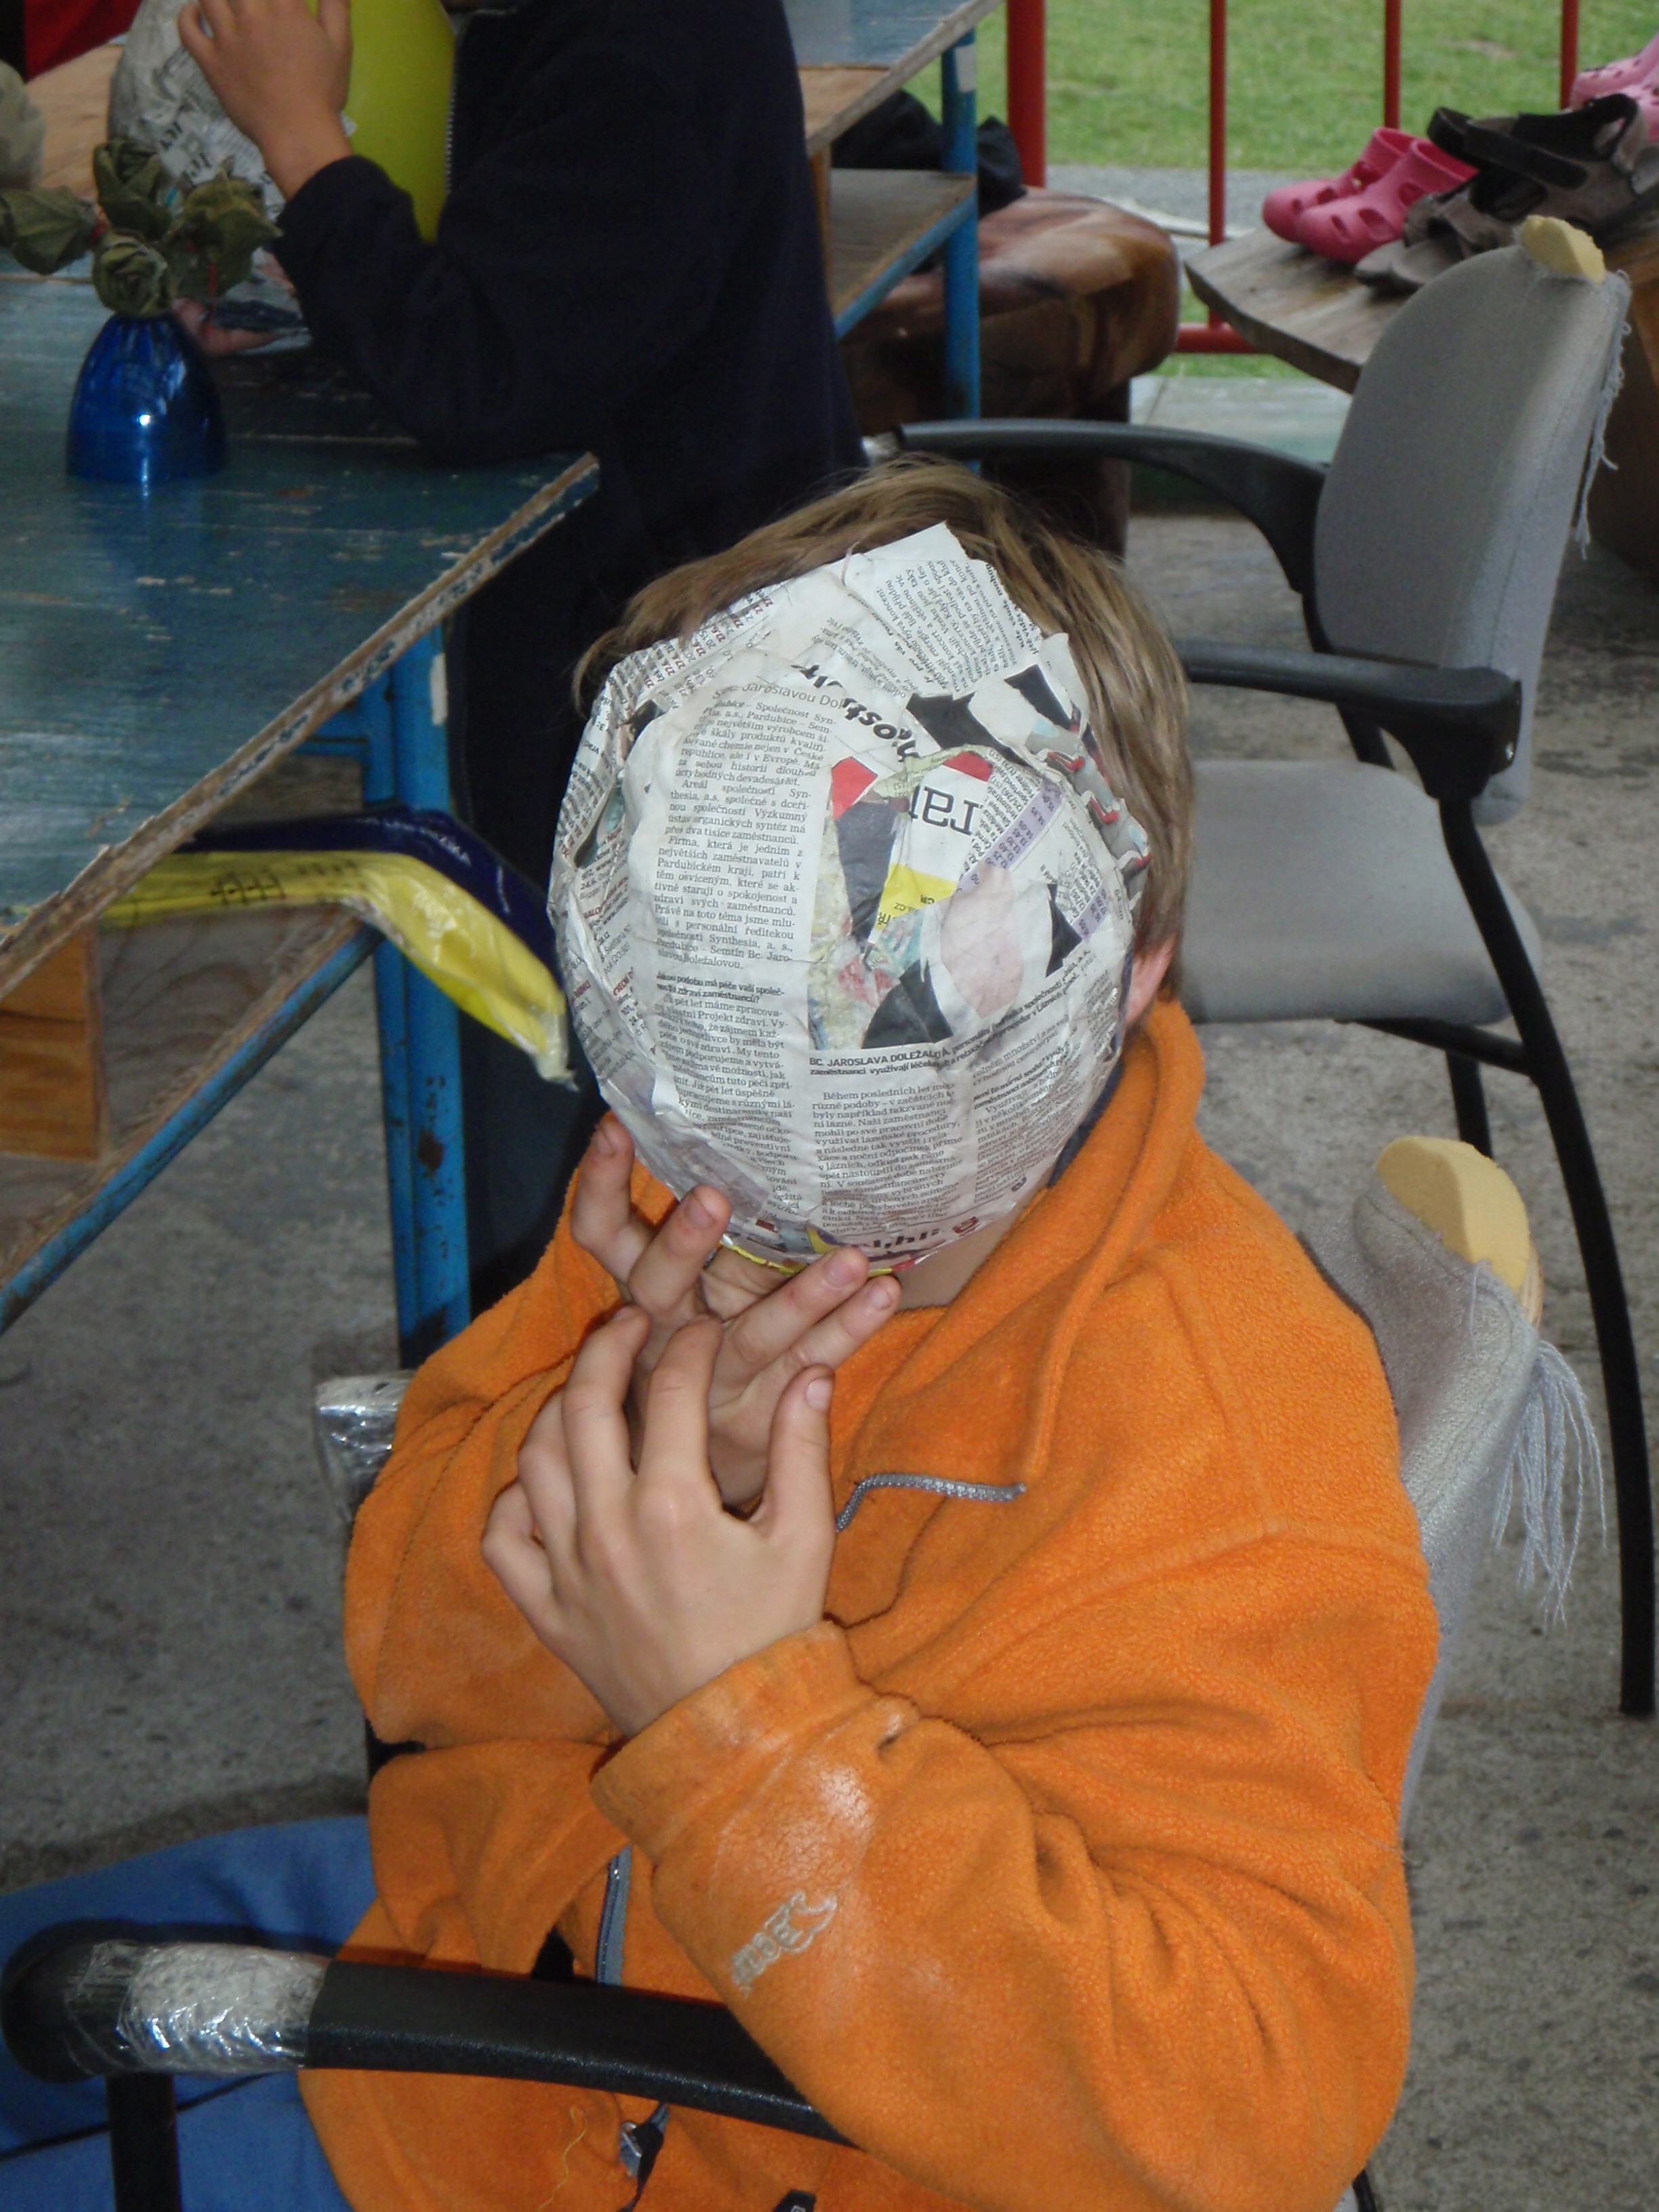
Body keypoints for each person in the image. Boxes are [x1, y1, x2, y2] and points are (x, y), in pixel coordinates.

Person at [0, 466, 1438, 2212]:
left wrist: (737, 1729)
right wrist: (654, 1452)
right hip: (502, 1900)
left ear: (1129, 963)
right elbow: (409, 1656)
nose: (746, 1158)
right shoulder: (699, 1199)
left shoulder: (1216, 1446)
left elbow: (1261, 2107)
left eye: (866, 1002)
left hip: (664, 2129)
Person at [173, 0, 865, 1302]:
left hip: (668, 726)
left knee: (605, 1153)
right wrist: (325, 289)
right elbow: (536, 284)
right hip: (657, 661)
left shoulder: (639, 57)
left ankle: (589, 1376)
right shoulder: (583, 31)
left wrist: (302, 141)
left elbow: (484, 372)